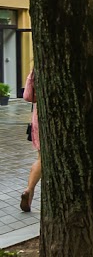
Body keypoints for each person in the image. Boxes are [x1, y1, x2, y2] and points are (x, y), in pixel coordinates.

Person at [20, 69, 39, 212]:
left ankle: (29, 195)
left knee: (41, 157)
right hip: (58, 121)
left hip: (38, 118)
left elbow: (27, 96)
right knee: (43, 160)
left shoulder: (35, 71)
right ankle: (29, 190)